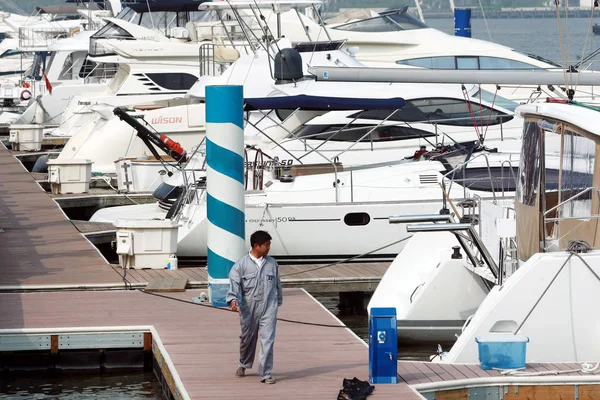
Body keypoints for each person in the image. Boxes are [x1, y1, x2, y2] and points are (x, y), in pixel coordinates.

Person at [226, 230, 283, 384]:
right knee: (247, 338)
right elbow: (234, 284)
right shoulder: (241, 265)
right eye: (267, 245)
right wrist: (232, 300)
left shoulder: (272, 263)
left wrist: (278, 301)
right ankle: (243, 363)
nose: (269, 247)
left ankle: (265, 374)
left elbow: (277, 283)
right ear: (256, 246)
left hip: (268, 307)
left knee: (268, 340)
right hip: (248, 307)